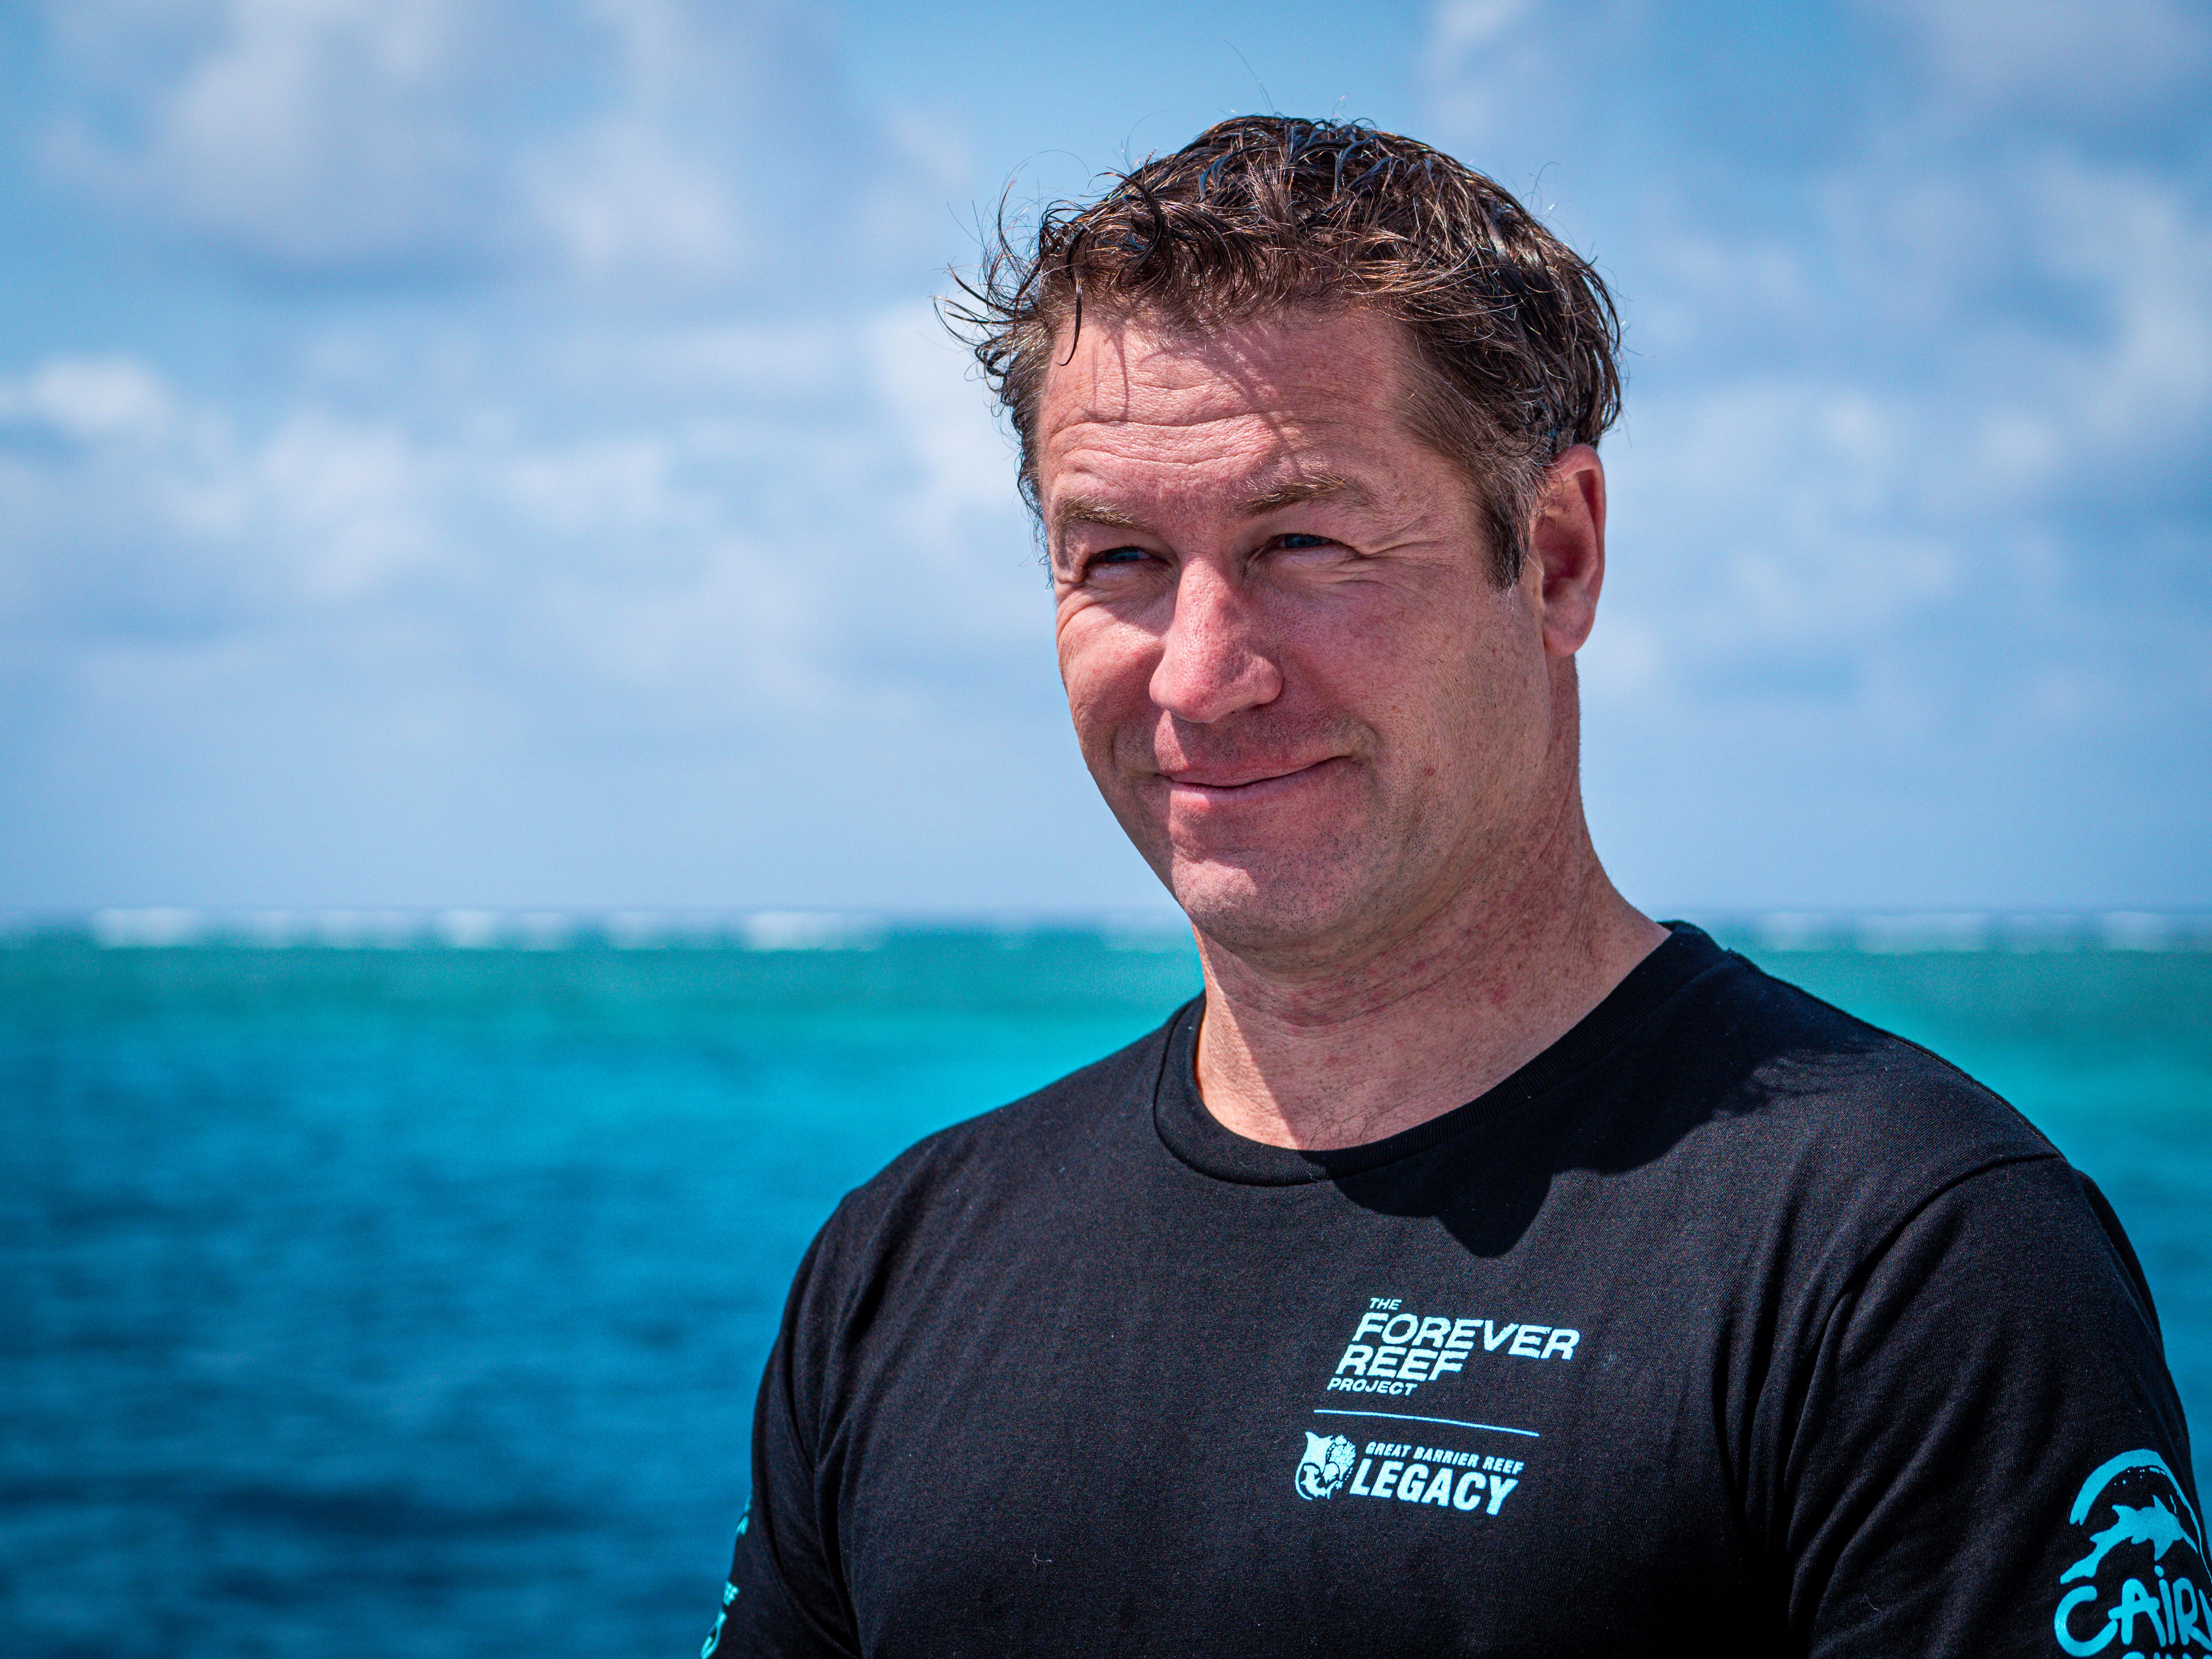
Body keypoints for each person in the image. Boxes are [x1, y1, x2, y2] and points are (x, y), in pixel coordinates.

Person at [702, 117, 2200, 1656]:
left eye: (1303, 540)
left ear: (1554, 556)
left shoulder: (1916, 1262)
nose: (1204, 678)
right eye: (1122, 562)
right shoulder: (899, 1267)